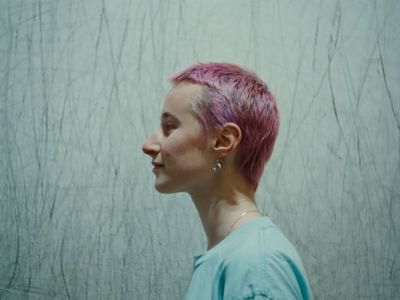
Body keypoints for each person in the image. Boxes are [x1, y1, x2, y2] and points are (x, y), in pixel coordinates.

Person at [142, 62, 313, 300]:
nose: (148, 145)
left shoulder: (256, 265)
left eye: (169, 127)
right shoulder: (236, 256)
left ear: (223, 141)